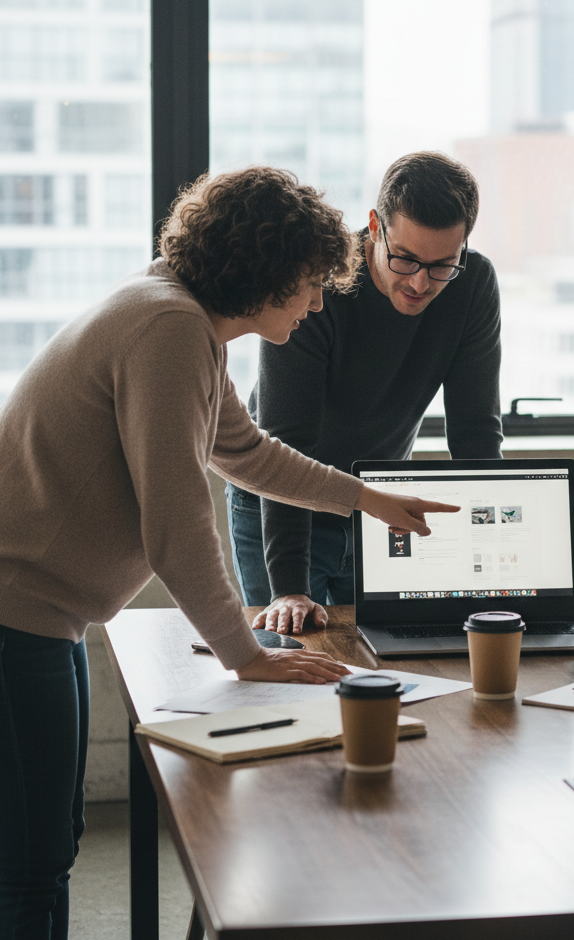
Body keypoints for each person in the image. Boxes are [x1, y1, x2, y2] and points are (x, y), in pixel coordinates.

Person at [0, 166, 459, 938]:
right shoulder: (168, 331)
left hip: (49, 616)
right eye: (312, 284)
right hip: (18, 617)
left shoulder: (179, 319)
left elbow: (246, 453)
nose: (318, 303)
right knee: (28, 865)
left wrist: (370, 498)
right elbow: (178, 524)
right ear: (266, 274)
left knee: (46, 850)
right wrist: (244, 655)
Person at [227, 151, 502, 635]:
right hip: (284, 500)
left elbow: (476, 431)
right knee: (296, 651)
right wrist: (289, 586)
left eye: (442, 265)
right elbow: (287, 440)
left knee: (385, 649)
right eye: (406, 258)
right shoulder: (319, 283)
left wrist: (493, 556)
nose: (420, 282)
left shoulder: (473, 284)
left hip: (380, 501)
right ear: (375, 226)